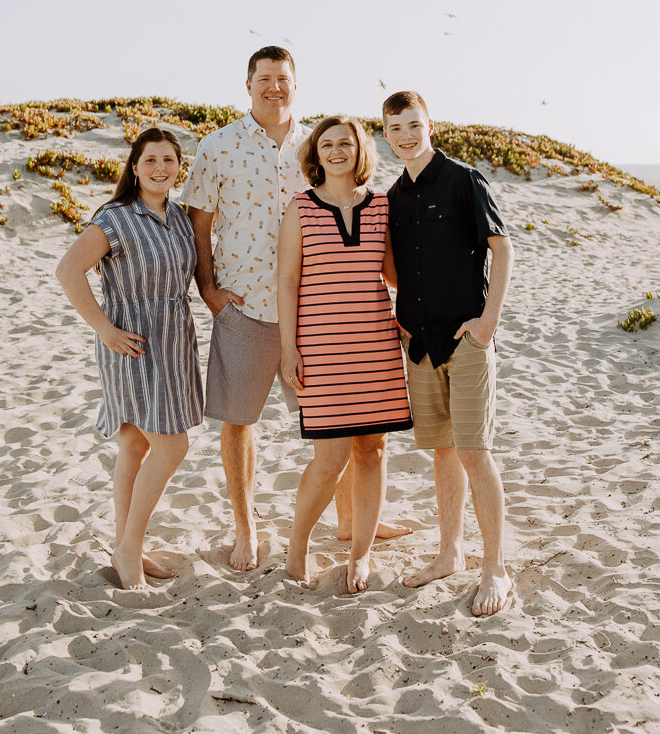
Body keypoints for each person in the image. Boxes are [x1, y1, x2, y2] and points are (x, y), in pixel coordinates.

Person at [185, 47, 408, 571]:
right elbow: (198, 224)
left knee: (351, 427)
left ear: (295, 83)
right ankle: (247, 530)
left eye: (282, 79)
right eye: (264, 79)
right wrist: (209, 290)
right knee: (240, 423)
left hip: (322, 315)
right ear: (247, 85)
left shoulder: (316, 145)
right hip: (246, 306)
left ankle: (352, 522)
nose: (274, 88)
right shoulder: (218, 146)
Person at [383, 91, 515, 617]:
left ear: (430, 124)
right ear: (386, 135)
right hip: (418, 344)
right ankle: (450, 551)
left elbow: (501, 248)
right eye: (395, 129)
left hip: (465, 340)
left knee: (473, 452)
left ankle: (496, 570)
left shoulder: (463, 179)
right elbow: (396, 268)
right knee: (441, 451)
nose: (406, 136)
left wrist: (488, 323)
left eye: (414, 125)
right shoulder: (394, 194)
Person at [55, 128, 202, 590]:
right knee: (171, 446)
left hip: (174, 339)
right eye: (151, 159)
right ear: (134, 167)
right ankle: (128, 547)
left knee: (136, 445)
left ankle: (126, 544)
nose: (161, 167)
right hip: (132, 342)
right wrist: (104, 328)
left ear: (179, 167)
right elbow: (68, 269)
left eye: (169, 160)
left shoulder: (178, 217)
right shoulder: (115, 218)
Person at [279, 117, 412, 592]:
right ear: (316, 154)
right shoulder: (299, 208)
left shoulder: (380, 206)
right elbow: (288, 282)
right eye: (328, 144)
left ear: (361, 152)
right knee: (330, 457)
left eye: (346, 144)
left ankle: (361, 553)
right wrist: (288, 347)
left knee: (372, 451)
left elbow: (396, 274)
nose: (337, 151)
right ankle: (297, 549)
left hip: (375, 345)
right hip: (321, 347)